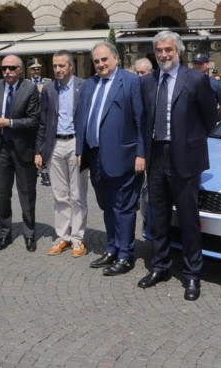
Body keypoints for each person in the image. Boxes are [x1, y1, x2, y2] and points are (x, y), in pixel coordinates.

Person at [138, 31, 217, 301]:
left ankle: (193, 273)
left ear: (178, 51)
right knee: (158, 216)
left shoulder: (195, 79)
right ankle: (160, 266)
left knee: (187, 219)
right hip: (156, 154)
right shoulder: (148, 82)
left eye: (168, 50)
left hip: (185, 156)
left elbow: (210, 118)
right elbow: (144, 120)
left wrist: (191, 141)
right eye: (159, 50)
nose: (163, 55)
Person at [76, 41, 145, 276]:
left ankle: (126, 255)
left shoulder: (131, 81)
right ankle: (112, 248)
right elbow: (82, 119)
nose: (100, 64)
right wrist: (79, 150)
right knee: (106, 206)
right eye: (96, 61)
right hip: (95, 156)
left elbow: (141, 121)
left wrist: (141, 154)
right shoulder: (89, 84)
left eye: (104, 59)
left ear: (115, 58)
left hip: (124, 157)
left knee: (123, 208)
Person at [35, 50, 88, 257]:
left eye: (61, 66)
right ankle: (63, 236)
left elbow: (86, 120)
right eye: (55, 66)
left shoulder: (83, 86)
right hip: (54, 145)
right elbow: (42, 122)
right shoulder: (48, 89)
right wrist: (39, 151)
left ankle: (77, 238)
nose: (57, 69)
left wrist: (84, 148)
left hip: (75, 143)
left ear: (71, 66)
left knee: (77, 194)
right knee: (60, 195)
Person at [0, 55, 40, 252]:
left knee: (27, 194)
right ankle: (4, 233)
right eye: (4, 68)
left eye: (11, 68)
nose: (7, 71)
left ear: (20, 69)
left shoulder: (29, 89)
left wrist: (10, 123)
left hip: (23, 150)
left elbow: (34, 120)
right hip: (2, 150)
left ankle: (29, 234)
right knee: (1, 194)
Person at [192, 53, 221, 120]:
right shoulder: (187, 82)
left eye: (200, 63)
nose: (197, 66)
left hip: (207, 126)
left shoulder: (215, 84)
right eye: (195, 63)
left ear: (208, 65)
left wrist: (215, 119)